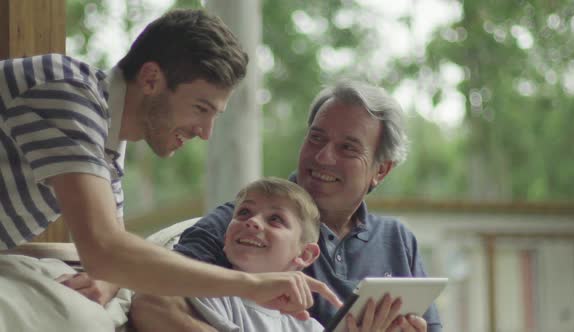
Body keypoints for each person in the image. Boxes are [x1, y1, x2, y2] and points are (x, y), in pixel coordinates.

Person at [0, 8, 340, 330]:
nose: (205, 133)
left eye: (213, 116)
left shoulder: (105, 151)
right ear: (151, 79)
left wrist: (111, 273)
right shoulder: (66, 92)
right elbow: (105, 250)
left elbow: (112, 261)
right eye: (200, 108)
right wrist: (250, 285)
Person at [131, 80, 443, 332]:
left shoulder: (398, 239)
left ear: (380, 170)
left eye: (347, 148)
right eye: (316, 139)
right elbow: (156, 294)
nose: (323, 157)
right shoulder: (241, 221)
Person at [134, 177, 377, 332]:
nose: (252, 222)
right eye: (244, 213)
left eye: (275, 219)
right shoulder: (211, 293)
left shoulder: (308, 327)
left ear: (305, 254)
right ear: (225, 236)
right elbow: (148, 303)